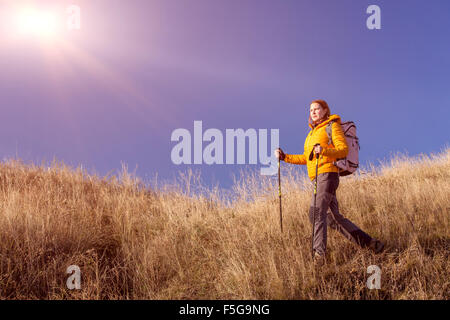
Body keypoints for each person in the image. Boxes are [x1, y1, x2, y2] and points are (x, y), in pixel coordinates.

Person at [275, 99, 384, 265]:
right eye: (311, 110)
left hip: (327, 175)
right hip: (318, 178)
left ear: (325, 110)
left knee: (316, 214)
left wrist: (323, 150)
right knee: (334, 218)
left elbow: (343, 149)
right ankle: (371, 244)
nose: (313, 112)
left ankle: (319, 257)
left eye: (317, 109)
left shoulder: (331, 126)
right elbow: (308, 158)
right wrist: (285, 157)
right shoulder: (312, 133)